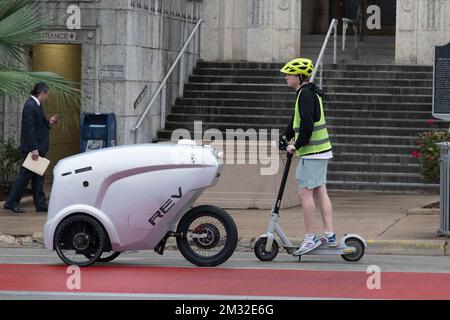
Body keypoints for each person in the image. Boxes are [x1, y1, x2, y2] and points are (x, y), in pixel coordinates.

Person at [279, 58, 336, 256]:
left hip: (312, 153)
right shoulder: (308, 92)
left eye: (289, 74)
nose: (286, 77)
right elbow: (297, 119)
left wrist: (296, 144)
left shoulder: (305, 94)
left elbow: (307, 125)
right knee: (320, 191)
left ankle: (310, 237)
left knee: (305, 194)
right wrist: (286, 135)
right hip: (321, 152)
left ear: (299, 76)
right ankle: (329, 234)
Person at [3, 82, 58, 213]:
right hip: (33, 149)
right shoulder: (30, 105)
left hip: (37, 148)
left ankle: (41, 204)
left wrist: (49, 122)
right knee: (25, 176)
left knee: (38, 177)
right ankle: (11, 202)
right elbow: (29, 129)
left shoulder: (36, 105)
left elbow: (38, 126)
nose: (47, 97)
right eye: (47, 94)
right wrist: (34, 149)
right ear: (42, 93)